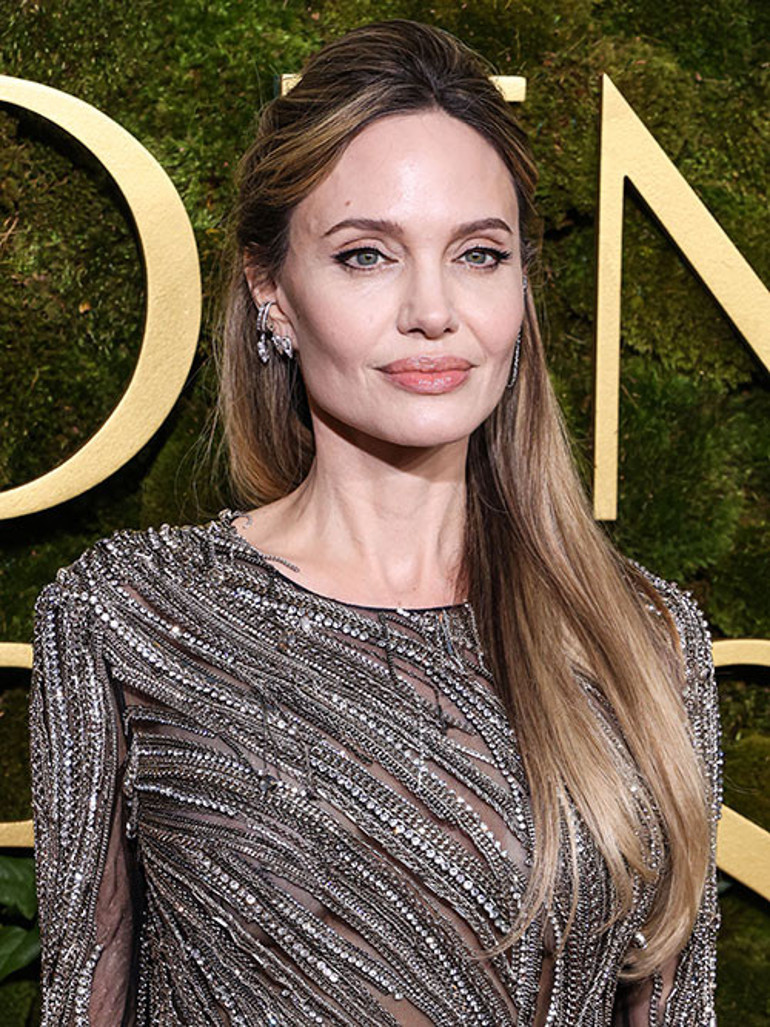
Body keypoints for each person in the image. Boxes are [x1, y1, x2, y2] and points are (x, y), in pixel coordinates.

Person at [28, 19, 722, 1027]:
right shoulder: (129, 616)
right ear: (272, 291)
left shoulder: (641, 639)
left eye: (478, 255)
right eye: (365, 255)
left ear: (520, 288)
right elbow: (79, 1003)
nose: (433, 310)